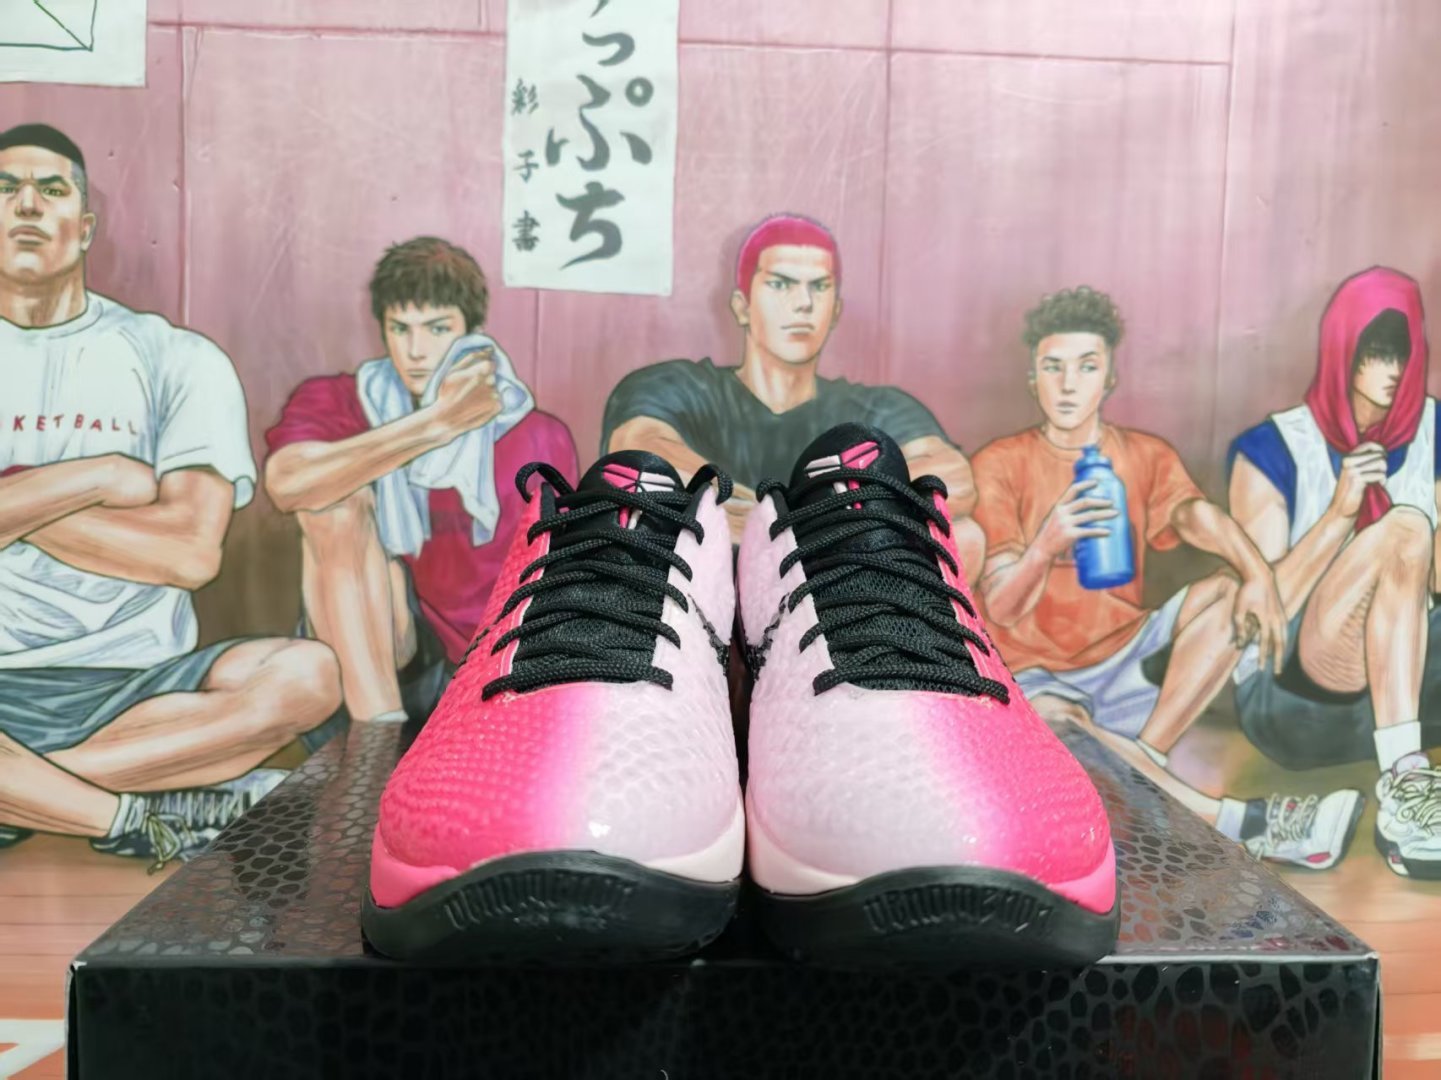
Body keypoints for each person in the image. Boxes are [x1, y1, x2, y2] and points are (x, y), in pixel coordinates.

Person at [0, 123, 341, 865]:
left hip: (143, 687)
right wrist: (97, 476)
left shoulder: (175, 357)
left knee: (307, 675)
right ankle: (130, 814)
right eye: (5, 188)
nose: (26, 205)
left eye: (50, 189)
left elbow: (187, 553)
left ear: (84, 227)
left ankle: (31, 797)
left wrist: (14, 501)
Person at [971, 285, 1362, 869]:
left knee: (1229, 593)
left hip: (1128, 662)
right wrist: (1048, 541)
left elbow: (1195, 517)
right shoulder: (999, 463)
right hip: (1038, 679)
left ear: (1110, 378)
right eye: (1053, 367)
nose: (1069, 384)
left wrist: (1257, 573)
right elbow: (1001, 607)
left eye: (1087, 366)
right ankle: (1245, 823)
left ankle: (1141, 763)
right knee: (1055, 717)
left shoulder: (1143, 455)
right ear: (1033, 379)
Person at [265, 237, 577, 724]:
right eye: (400, 329)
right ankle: (375, 741)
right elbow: (287, 485)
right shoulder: (341, 399)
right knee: (334, 503)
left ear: (471, 332)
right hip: (372, 650)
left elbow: (555, 571)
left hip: (487, 663)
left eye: (437, 329)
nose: (415, 351)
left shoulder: (537, 435)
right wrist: (436, 424)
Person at [600, 213, 985, 566]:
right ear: (742, 306)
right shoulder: (679, 386)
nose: (803, 303)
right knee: (642, 513)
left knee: (964, 535)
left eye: (819, 286)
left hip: (835, 577)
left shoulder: (877, 407)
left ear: (835, 310)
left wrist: (801, 525)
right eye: (780, 284)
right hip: (704, 576)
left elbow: (953, 479)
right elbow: (640, 451)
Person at [1228, 266, 1441, 877]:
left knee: (1411, 535)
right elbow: (1258, 619)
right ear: (1342, 349)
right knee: (1405, 527)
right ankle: (1404, 784)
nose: (1393, 370)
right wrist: (1340, 514)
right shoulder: (1272, 450)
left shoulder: (1433, 431)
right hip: (1295, 694)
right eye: (1376, 353)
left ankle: (1408, 781)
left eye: (1402, 353)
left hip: (1410, 683)